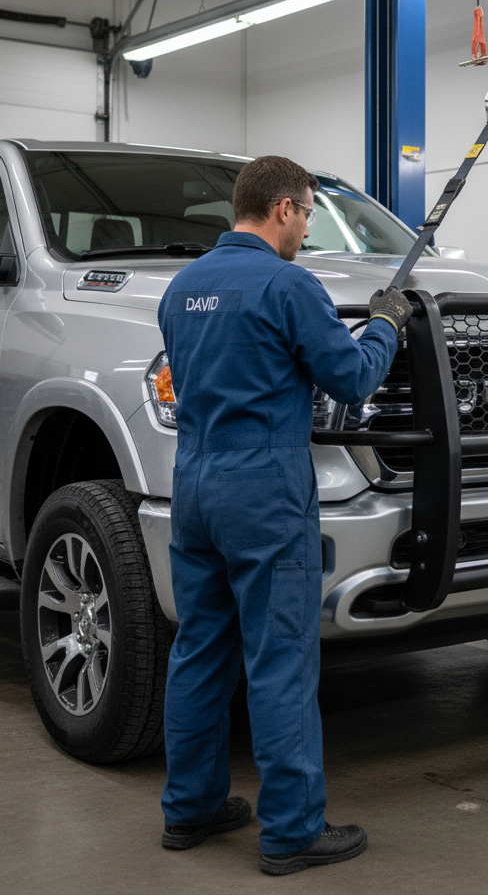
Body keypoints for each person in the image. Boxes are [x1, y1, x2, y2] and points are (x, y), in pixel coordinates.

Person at [157, 155, 413, 874]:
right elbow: (354, 377)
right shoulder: (287, 284)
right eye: (307, 212)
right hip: (265, 492)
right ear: (283, 210)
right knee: (280, 658)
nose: (307, 227)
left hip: (196, 485)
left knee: (201, 649)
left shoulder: (182, 289)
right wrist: (387, 324)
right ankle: (294, 829)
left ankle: (191, 808)